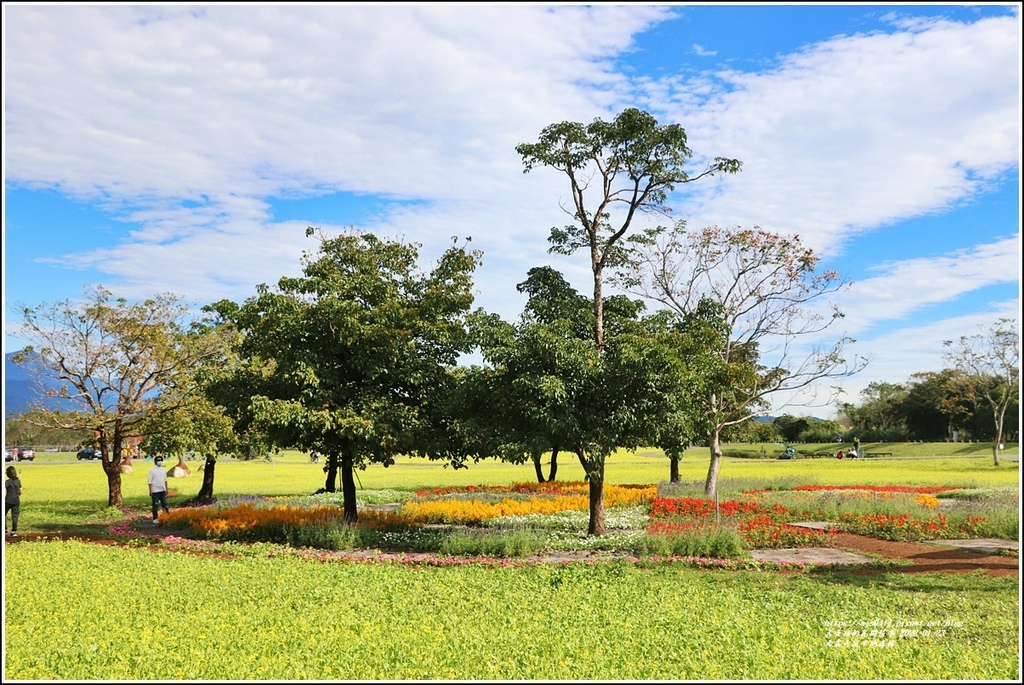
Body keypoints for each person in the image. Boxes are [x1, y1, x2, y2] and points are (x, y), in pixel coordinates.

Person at [148, 456, 170, 524]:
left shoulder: (163, 470)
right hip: (155, 490)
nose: (159, 461)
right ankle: (155, 518)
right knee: (155, 505)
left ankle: (167, 516)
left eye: (160, 460)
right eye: (158, 460)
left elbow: (165, 480)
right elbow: (149, 481)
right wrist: (150, 490)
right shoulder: (152, 470)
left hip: (162, 490)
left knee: (165, 504)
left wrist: (166, 489)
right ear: (155, 461)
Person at [5, 465, 22, 536]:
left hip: (8, 500)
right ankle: (14, 531)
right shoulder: (18, 481)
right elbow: (20, 491)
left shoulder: (7, 482)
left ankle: (5, 530)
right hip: (16, 500)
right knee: (15, 516)